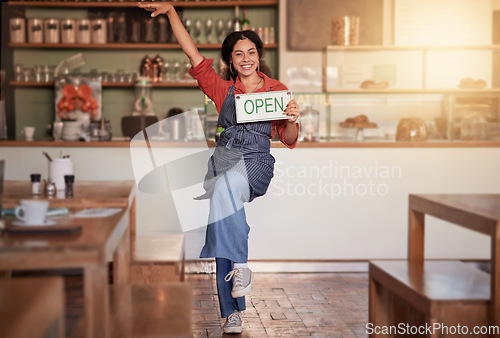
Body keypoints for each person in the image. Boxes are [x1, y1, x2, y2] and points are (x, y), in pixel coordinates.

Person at [138, 2, 300, 334]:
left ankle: (240, 267)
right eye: (238, 54)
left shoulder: (277, 91)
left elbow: (288, 137)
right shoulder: (221, 89)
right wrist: (171, 12)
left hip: (256, 161)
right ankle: (232, 314)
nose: (246, 59)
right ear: (230, 61)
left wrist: (295, 118)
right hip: (224, 158)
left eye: (251, 52)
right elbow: (192, 52)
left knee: (223, 195)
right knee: (223, 213)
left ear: (259, 55)